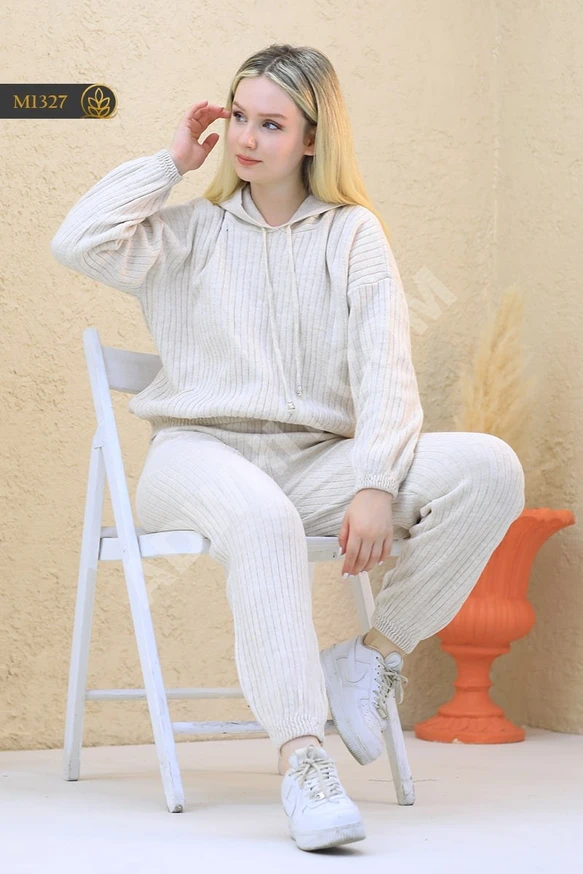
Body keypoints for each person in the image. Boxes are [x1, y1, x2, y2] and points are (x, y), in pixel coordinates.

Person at [50, 43, 525, 853]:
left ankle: (369, 656)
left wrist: (374, 481)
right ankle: (303, 759)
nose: (245, 137)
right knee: (262, 518)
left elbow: (384, 370)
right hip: (196, 457)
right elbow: (77, 241)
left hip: (315, 464)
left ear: (312, 137)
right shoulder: (186, 233)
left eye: (270, 124)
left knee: (489, 468)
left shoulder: (352, 235)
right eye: (239, 116)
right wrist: (169, 164)